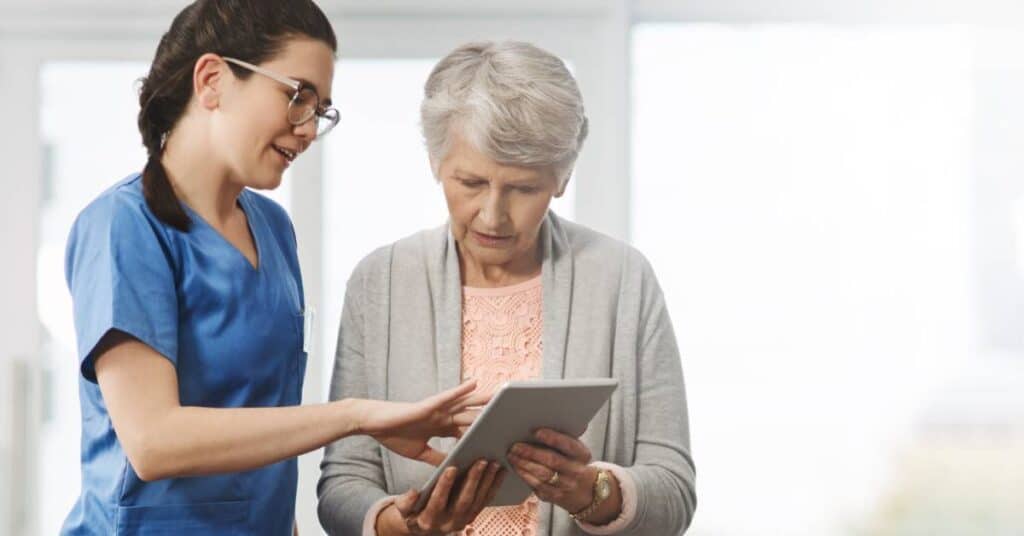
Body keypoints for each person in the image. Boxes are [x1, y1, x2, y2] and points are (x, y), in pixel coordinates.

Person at [61, 2, 485, 534]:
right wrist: (354, 417)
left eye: (320, 109)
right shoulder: (122, 226)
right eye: (297, 96)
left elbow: (266, 449)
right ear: (212, 80)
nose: (307, 130)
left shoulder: (273, 230)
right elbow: (153, 442)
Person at [317, 41, 696, 536]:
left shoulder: (622, 279)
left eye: (522, 188)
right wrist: (405, 526)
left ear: (562, 178)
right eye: (471, 182)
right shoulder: (381, 281)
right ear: (435, 162)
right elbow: (343, 484)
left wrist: (589, 492)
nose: (492, 215)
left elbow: (674, 490)